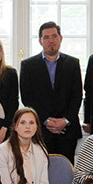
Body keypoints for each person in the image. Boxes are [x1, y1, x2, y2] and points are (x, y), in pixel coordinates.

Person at [19, 21, 83, 160]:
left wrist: (64, 120)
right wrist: (46, 120)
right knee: (40, 173)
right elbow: (27, 98)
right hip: (41, 131)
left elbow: (77, 96)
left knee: (66, 174)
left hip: (67, 130)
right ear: (40, 41)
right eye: (46, 37)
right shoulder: (28, 65)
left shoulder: (73, 64)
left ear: (60, 38)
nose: (51, 41)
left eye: (54, 36)